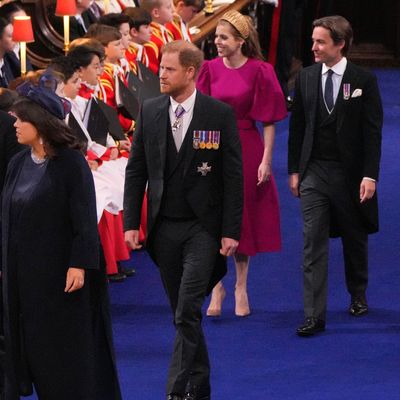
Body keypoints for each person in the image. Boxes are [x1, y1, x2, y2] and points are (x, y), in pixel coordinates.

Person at [123, 40, 243, 400]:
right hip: (164, 230)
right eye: (161, 68)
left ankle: (175, 390)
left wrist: (230, 231)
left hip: (203, 229)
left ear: (190, 72)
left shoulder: (218, 114)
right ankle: (201, 382)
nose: (160, 74)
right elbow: (136, 170)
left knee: (188, 306)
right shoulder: (151, 110)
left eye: (169, 69)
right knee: (182, 313)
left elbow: (232, 178)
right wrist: (131, 222)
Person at [0, 75, 122, 399]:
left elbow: (84, 217)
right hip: (24, 281)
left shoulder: (70, 163)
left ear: (39, 123)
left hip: (62, 282)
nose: (15, 123)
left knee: (63, 359)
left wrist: (79, 264)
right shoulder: (16, 164)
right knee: (33, 352)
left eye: (20, 117)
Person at [288, 15, 383, 337]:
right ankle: (314, 315)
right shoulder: (306, 78)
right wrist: (294, 170)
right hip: (314, 171)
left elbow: (373, 133)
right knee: (312, 242)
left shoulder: (363, 80)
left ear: (340, 44)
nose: (313, 47)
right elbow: (297, 128)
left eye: (320, 42)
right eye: (313, 41)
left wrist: (369, 176)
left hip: (351, 175)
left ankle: (358, 293)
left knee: (355, 239)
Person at [197, 10, 287, 317]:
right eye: (216, 37)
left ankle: (240, 286)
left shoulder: (261, 70)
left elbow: (271, 120)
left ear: (241, 41)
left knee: (242, 216)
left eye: (223, 37)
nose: (217, 42)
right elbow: (199, 115)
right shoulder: (208, 69)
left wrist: (267, 159)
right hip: (212, 147)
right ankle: (216, 287)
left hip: (248, 145)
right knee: (211, 217)